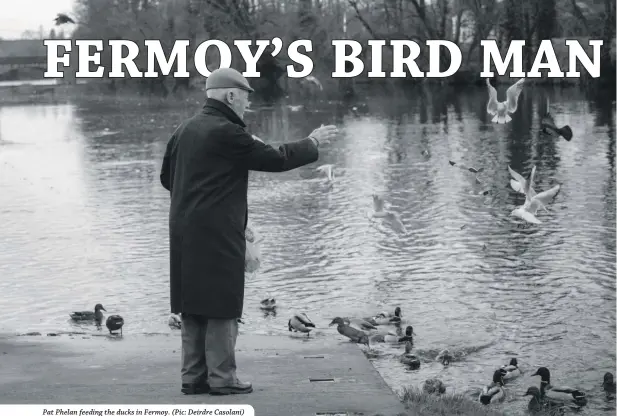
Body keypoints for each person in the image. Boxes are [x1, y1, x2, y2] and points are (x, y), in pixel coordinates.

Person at [159, 67, 338, 396]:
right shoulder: (227, 132)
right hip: (217, 231)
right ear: (230, 96)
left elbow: (166, 179)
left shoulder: (183, 130)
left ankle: (193, 377)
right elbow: (276, 158)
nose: (246, 107)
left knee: (193, 302)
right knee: (222, 304)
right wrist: (312, 143)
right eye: (244, 99)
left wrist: (196, 200)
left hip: (183, 230)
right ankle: (223, 379)